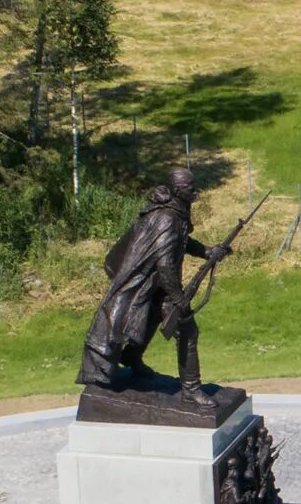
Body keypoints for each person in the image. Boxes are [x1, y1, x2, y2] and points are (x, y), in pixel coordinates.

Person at [78, 166, 215, 391]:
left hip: (155, 282)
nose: (195, 191)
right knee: (186, 328)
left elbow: (180, 240)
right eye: (190, 187)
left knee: (151, 318)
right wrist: (177, 297)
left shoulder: (175, 210)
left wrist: (207, 251)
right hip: (145, 282)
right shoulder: (167, 218)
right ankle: (192, 390)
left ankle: (131, 357)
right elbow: (164, 263)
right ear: (178, 190)